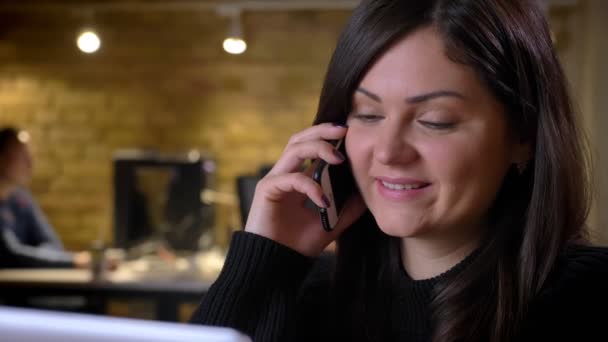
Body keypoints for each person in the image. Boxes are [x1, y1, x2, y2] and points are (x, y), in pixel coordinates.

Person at [190, 1, 608, 341]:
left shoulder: (586, 299)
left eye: (436, 120)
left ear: (524, 136)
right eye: (368, 115)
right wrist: (266, 258)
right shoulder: (312, 294)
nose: (388, 152)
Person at [0, 127, 90, 268]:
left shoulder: (21, 199)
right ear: (3, 158)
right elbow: (9, 255)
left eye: (30, 157)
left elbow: (52, 243)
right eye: (23, 157)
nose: (30, 164)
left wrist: (34, 257)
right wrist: (73, 262)